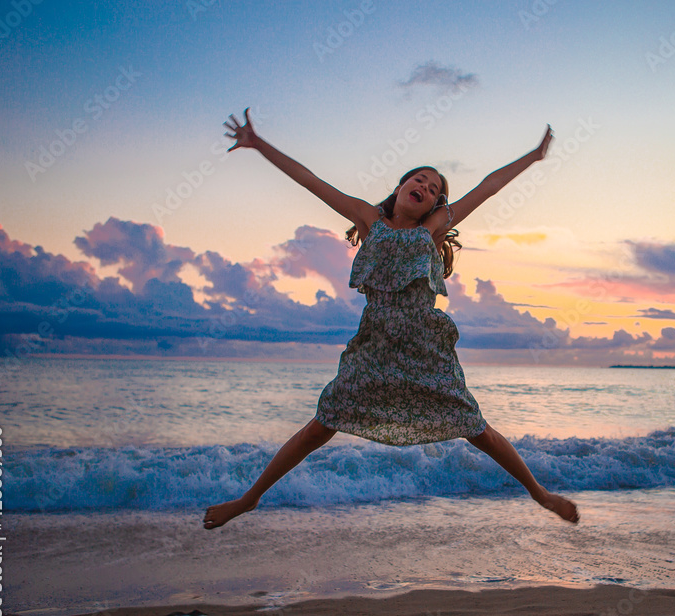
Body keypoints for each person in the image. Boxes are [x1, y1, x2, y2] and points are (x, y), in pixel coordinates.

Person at [203, 109, 579, 529]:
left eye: (434, 188)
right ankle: (250, 498)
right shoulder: (368, 219)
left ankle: (541, 494)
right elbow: (310, 180)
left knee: (478, 431)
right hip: (375, 346)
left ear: (436, 205)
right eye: (419, 179)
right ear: (400, 186)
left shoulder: (433, 228)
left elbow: (487, 188)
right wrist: (258, 143)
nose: (425, 186)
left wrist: (533, 156)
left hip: (424, 347)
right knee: (319, 428)